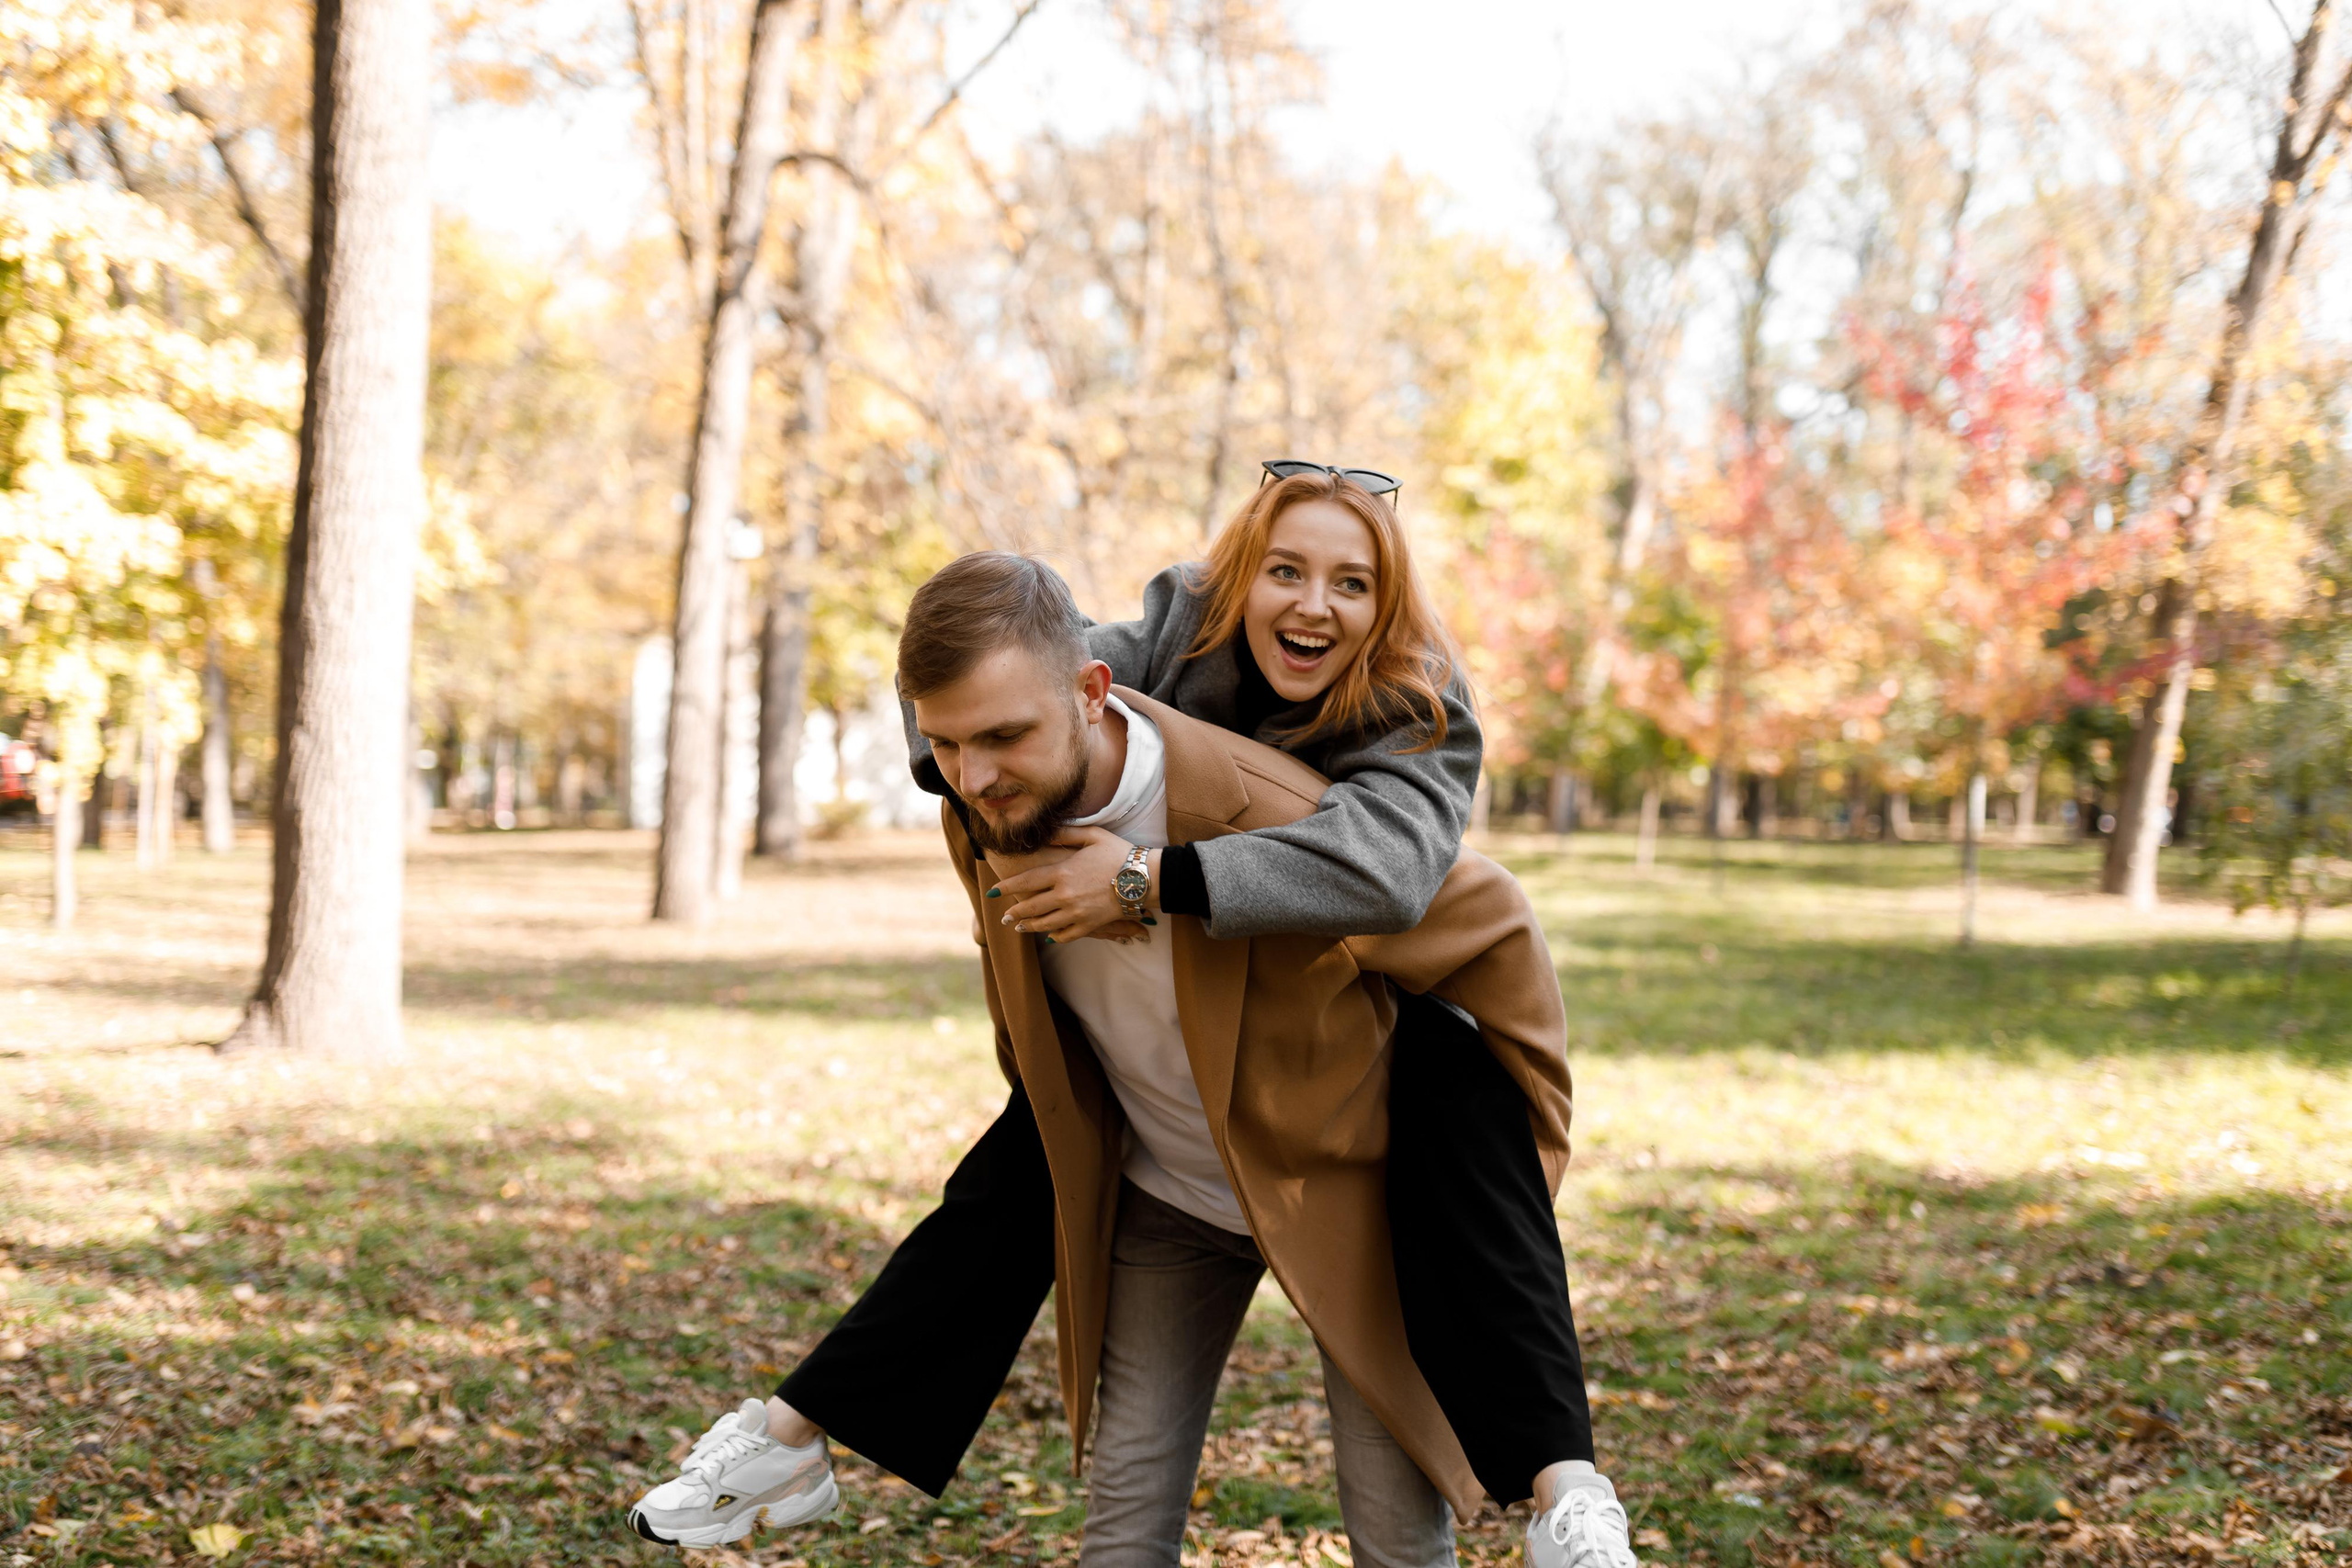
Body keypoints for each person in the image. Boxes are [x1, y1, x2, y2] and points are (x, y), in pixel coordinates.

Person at [628, 486, 1635, 1567]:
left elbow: (1424, 886)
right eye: (1284, 572)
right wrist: (964, 751)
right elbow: (1010, 664)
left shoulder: (1386, 727)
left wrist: (1152, 880)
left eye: (1351, 583)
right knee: (1098, 1426)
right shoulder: (1073, 720)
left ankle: (1565, 1488)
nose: (1312, 603)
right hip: (1172, 1176)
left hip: (1350, 1167)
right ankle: (791, 1436)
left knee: (1397, 1516)